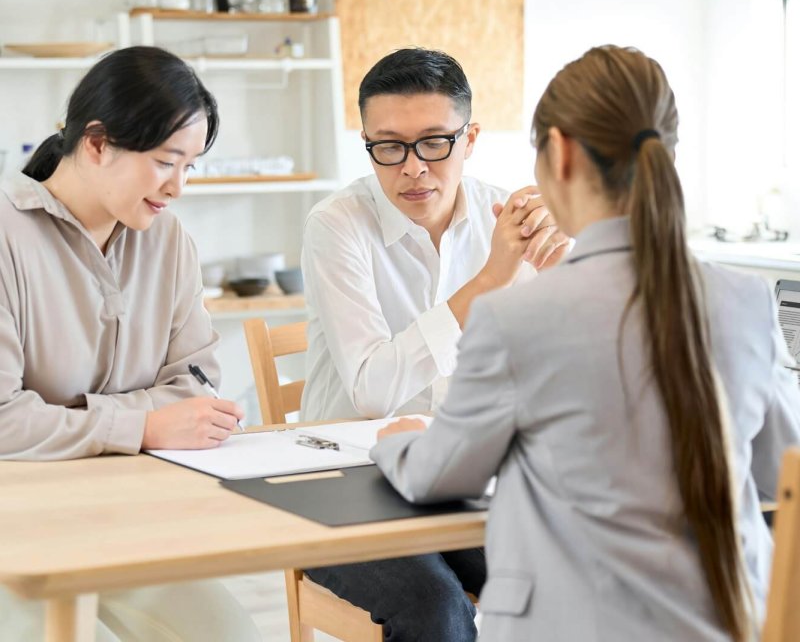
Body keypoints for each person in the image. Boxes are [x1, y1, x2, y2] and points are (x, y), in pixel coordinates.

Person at [373, 44, 800, 641]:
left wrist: (399, 442)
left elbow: (441, 476)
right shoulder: (748, 303)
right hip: (732, 621)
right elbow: (780, 473)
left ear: (561, 153)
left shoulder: (515, 318)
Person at [300, 48, 569, 641]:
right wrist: (492, 278)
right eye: (388, 147)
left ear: (469, 138)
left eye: (434, 143)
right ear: (367, 143)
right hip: (346, 487)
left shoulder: (512, 216)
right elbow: (374, 391)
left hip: (467, 479)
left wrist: (574, 262)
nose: (413, 168)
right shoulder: (337, 225)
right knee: (437, 607)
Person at [0, 46, 258, 641]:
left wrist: (71, 422)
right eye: (167, 162)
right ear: (96, 143)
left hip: (132, 521)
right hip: (16, 531)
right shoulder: (8, 238)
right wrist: (141, 428)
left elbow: (195, 386)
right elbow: (4, 418)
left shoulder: (167, 242)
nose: (178, 187)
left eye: (190, 166)